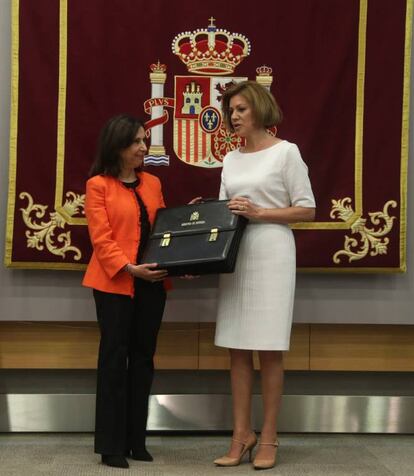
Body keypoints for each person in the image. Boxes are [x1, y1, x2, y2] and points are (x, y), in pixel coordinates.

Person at [213, 81, 316, 470]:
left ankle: (269, 436)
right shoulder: (231, 159)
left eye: (240, 109)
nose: (234, 116)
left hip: (272, 251)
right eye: (231, 111)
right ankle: (241, 436)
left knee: (269, 350)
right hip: (236, 253)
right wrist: (209, 210)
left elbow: (306, 209)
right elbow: (228, 208)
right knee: (237, 349)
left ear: (259, 108)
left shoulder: (287, 152)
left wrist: (261, 213)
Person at [82, 114, 168, 469]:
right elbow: (101, 240)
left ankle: (137, 441)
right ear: (117, 146)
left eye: (143, 141)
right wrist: (130, 268)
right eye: (136, 142)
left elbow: (164, 230)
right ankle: (110, 445)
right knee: (114, 360)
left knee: (144, 360)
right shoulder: (97, 185)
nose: (143, 148)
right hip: (114, 283)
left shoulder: (153, 182)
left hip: (153, 285)